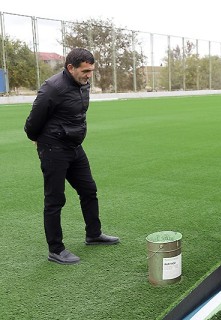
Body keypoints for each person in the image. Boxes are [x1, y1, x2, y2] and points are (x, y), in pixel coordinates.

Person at [24, 48, 119, 265]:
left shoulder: (83, 84)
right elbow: (32, 122)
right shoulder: (52, 88)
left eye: (91, 71)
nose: (89, 75)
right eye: (85, 71)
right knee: (55, 199)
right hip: (53, 149)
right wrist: (38, 139)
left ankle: (93, 234)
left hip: (74, 147)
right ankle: (55, 249)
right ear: (70, 68)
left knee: (89, 190)